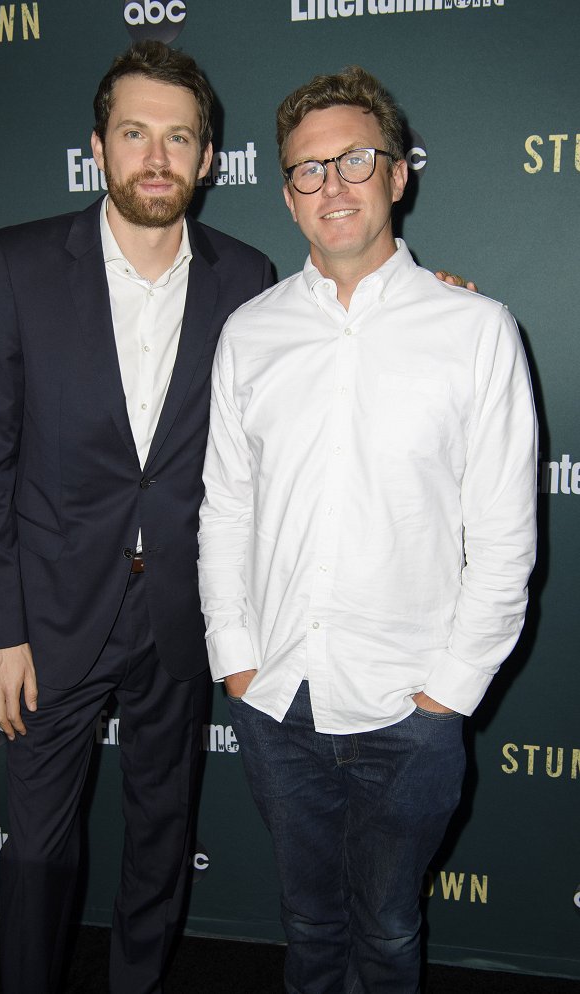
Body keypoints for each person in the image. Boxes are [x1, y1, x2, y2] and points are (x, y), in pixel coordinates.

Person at [197, 65, 537, 994]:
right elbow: (226, 507)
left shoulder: (474, 331)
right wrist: (236, 657)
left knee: (386, 933)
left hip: (408, 711)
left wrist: (444, 697)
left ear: (397, 174)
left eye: (354, 159)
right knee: (306, 924)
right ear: (287, 196)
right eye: (308, 170)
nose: (332, 185)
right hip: (276, 704)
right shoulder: (250, 333)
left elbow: (503, 540)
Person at [0, 40, 273, 994]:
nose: (157, 157)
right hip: (50, 619)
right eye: (136, 133)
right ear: (99, 146)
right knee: (38, 854)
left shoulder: (247, 279)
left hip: (180, 610)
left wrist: (435, 304)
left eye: (179, 137)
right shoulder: (15, 262)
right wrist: (0, 628)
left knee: (161, 840)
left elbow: (332, 359)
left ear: (208, 158)